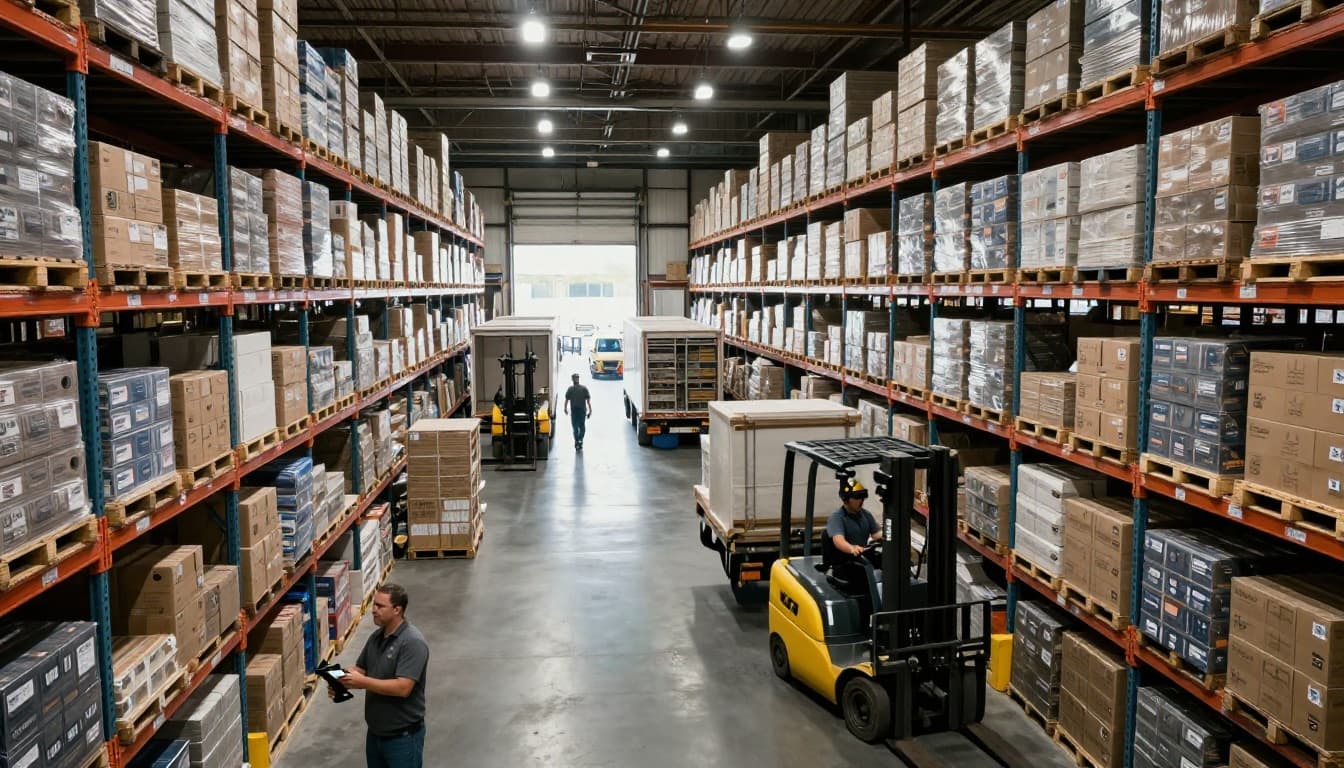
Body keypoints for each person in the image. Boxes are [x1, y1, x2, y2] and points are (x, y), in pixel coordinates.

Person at [336, 583, 429, 768]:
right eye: (374, 604)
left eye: (380, 606)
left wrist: (362, 682)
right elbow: (361, 669)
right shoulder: (376, 637)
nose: (374, 610)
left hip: (402, 738)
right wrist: (340, 680)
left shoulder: (412, 642)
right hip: (376, 734)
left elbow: (403, 688)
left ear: (397, 610)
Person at [827, 478, 883, 562]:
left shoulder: (865, 514)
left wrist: (890, 536)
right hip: (845, 561)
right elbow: (839, 540)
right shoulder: (837, 517)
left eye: (862, 497)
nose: (862, 500)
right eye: (857, 497)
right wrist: (851, 548)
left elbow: (876, 534)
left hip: (860, 556)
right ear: (846, 499)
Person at [563, 372, 592, 451]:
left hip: (579, 411)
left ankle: (579, 440)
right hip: (578, 411)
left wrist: (590, 411)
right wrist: (565, 408)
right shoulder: (580, 389)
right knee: (578, 427)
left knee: (578, 427)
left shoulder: (578, 389)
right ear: (574, 379)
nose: (576, 379)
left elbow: (588, 401)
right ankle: (578, 440)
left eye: (576, 378)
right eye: (575, 378)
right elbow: (567, 400)